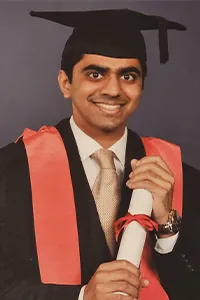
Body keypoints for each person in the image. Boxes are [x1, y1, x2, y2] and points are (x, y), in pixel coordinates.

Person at [0, 8, 200, 300]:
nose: (113, 89)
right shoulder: (10, 171)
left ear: (141, 86)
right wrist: (81, 296)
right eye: (95, 73)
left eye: (128, 76)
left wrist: (167, 228)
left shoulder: (179, 177)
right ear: (66, 83)